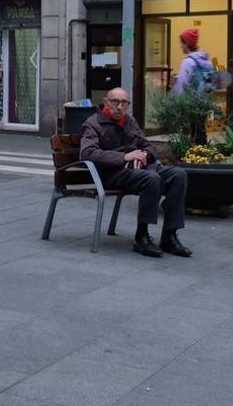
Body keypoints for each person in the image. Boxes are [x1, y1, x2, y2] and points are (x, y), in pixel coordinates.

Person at [79, 86, 190, 258]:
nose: (120, 107)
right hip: (113, 173)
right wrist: (125, 157)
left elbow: (149, 146)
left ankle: (169, 236)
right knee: (152, 178)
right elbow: (87, 153)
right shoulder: (93, 124)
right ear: (106, 102)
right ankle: (141, 236)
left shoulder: (129, 122)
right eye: (115, 102)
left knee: (178, 175)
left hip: (138, 171)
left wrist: (144, 154)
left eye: (124, 103)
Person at [172, 27, 215, 145]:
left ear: (187, 44)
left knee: (191, 133)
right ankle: (202, 153)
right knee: (200, 130)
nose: (180, 46)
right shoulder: (207, 61)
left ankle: (193, 157)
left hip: (189, 103)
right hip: (203, 102)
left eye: (182, 43)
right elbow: (212, 82)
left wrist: (177, 103)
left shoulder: (188, 62)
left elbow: (182, 85)